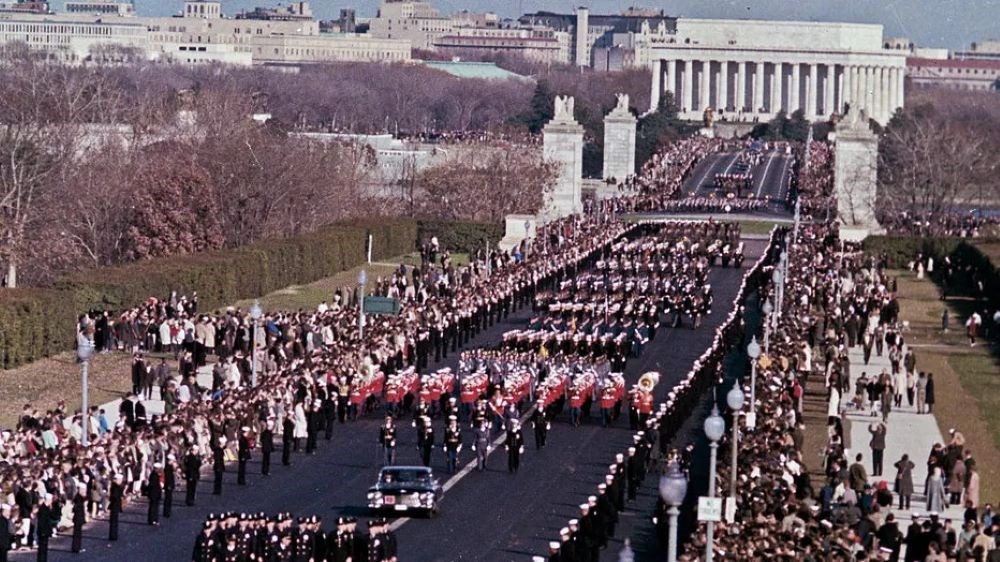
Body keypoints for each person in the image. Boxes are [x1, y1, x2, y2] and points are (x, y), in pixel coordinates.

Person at [108, 473, 124, 543]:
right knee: (114, 521)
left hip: (115, 505)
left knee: (114, 521)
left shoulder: (115, 486)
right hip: (115, 505)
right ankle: (113, 535)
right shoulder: (115, 487)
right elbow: (115, 496)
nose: (121, 481)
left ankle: (113, 535)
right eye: (120, 480)